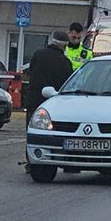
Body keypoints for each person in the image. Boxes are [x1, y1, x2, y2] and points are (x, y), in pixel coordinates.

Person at [23, 31, 73, 172]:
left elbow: (31, 73)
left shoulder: (38, 55)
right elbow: (67, 83)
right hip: (55, 104)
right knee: (59, 134)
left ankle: (32, 161)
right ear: (65, 45)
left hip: (34, 100)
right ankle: (65, 162)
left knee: (32, 132)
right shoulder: (64, 61)